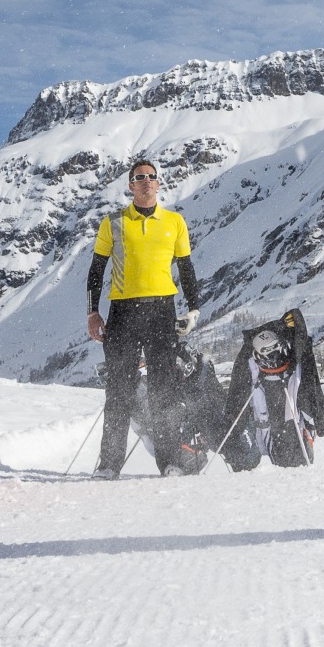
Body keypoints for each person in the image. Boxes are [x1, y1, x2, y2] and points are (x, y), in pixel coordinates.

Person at [85, 158, 203, 477]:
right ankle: (109, 464)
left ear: (159, 183)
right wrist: (93, 312)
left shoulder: (174, 222)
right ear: (131, 186)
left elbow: (187, 269)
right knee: (120, 390)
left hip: (161, 311)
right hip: (122, 312)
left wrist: (193, 308)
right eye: (139, 178)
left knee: (163, 391)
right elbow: (97, 270)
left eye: (151, 177)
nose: (146, 181)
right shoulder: (113, 222)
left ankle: (169, 462)